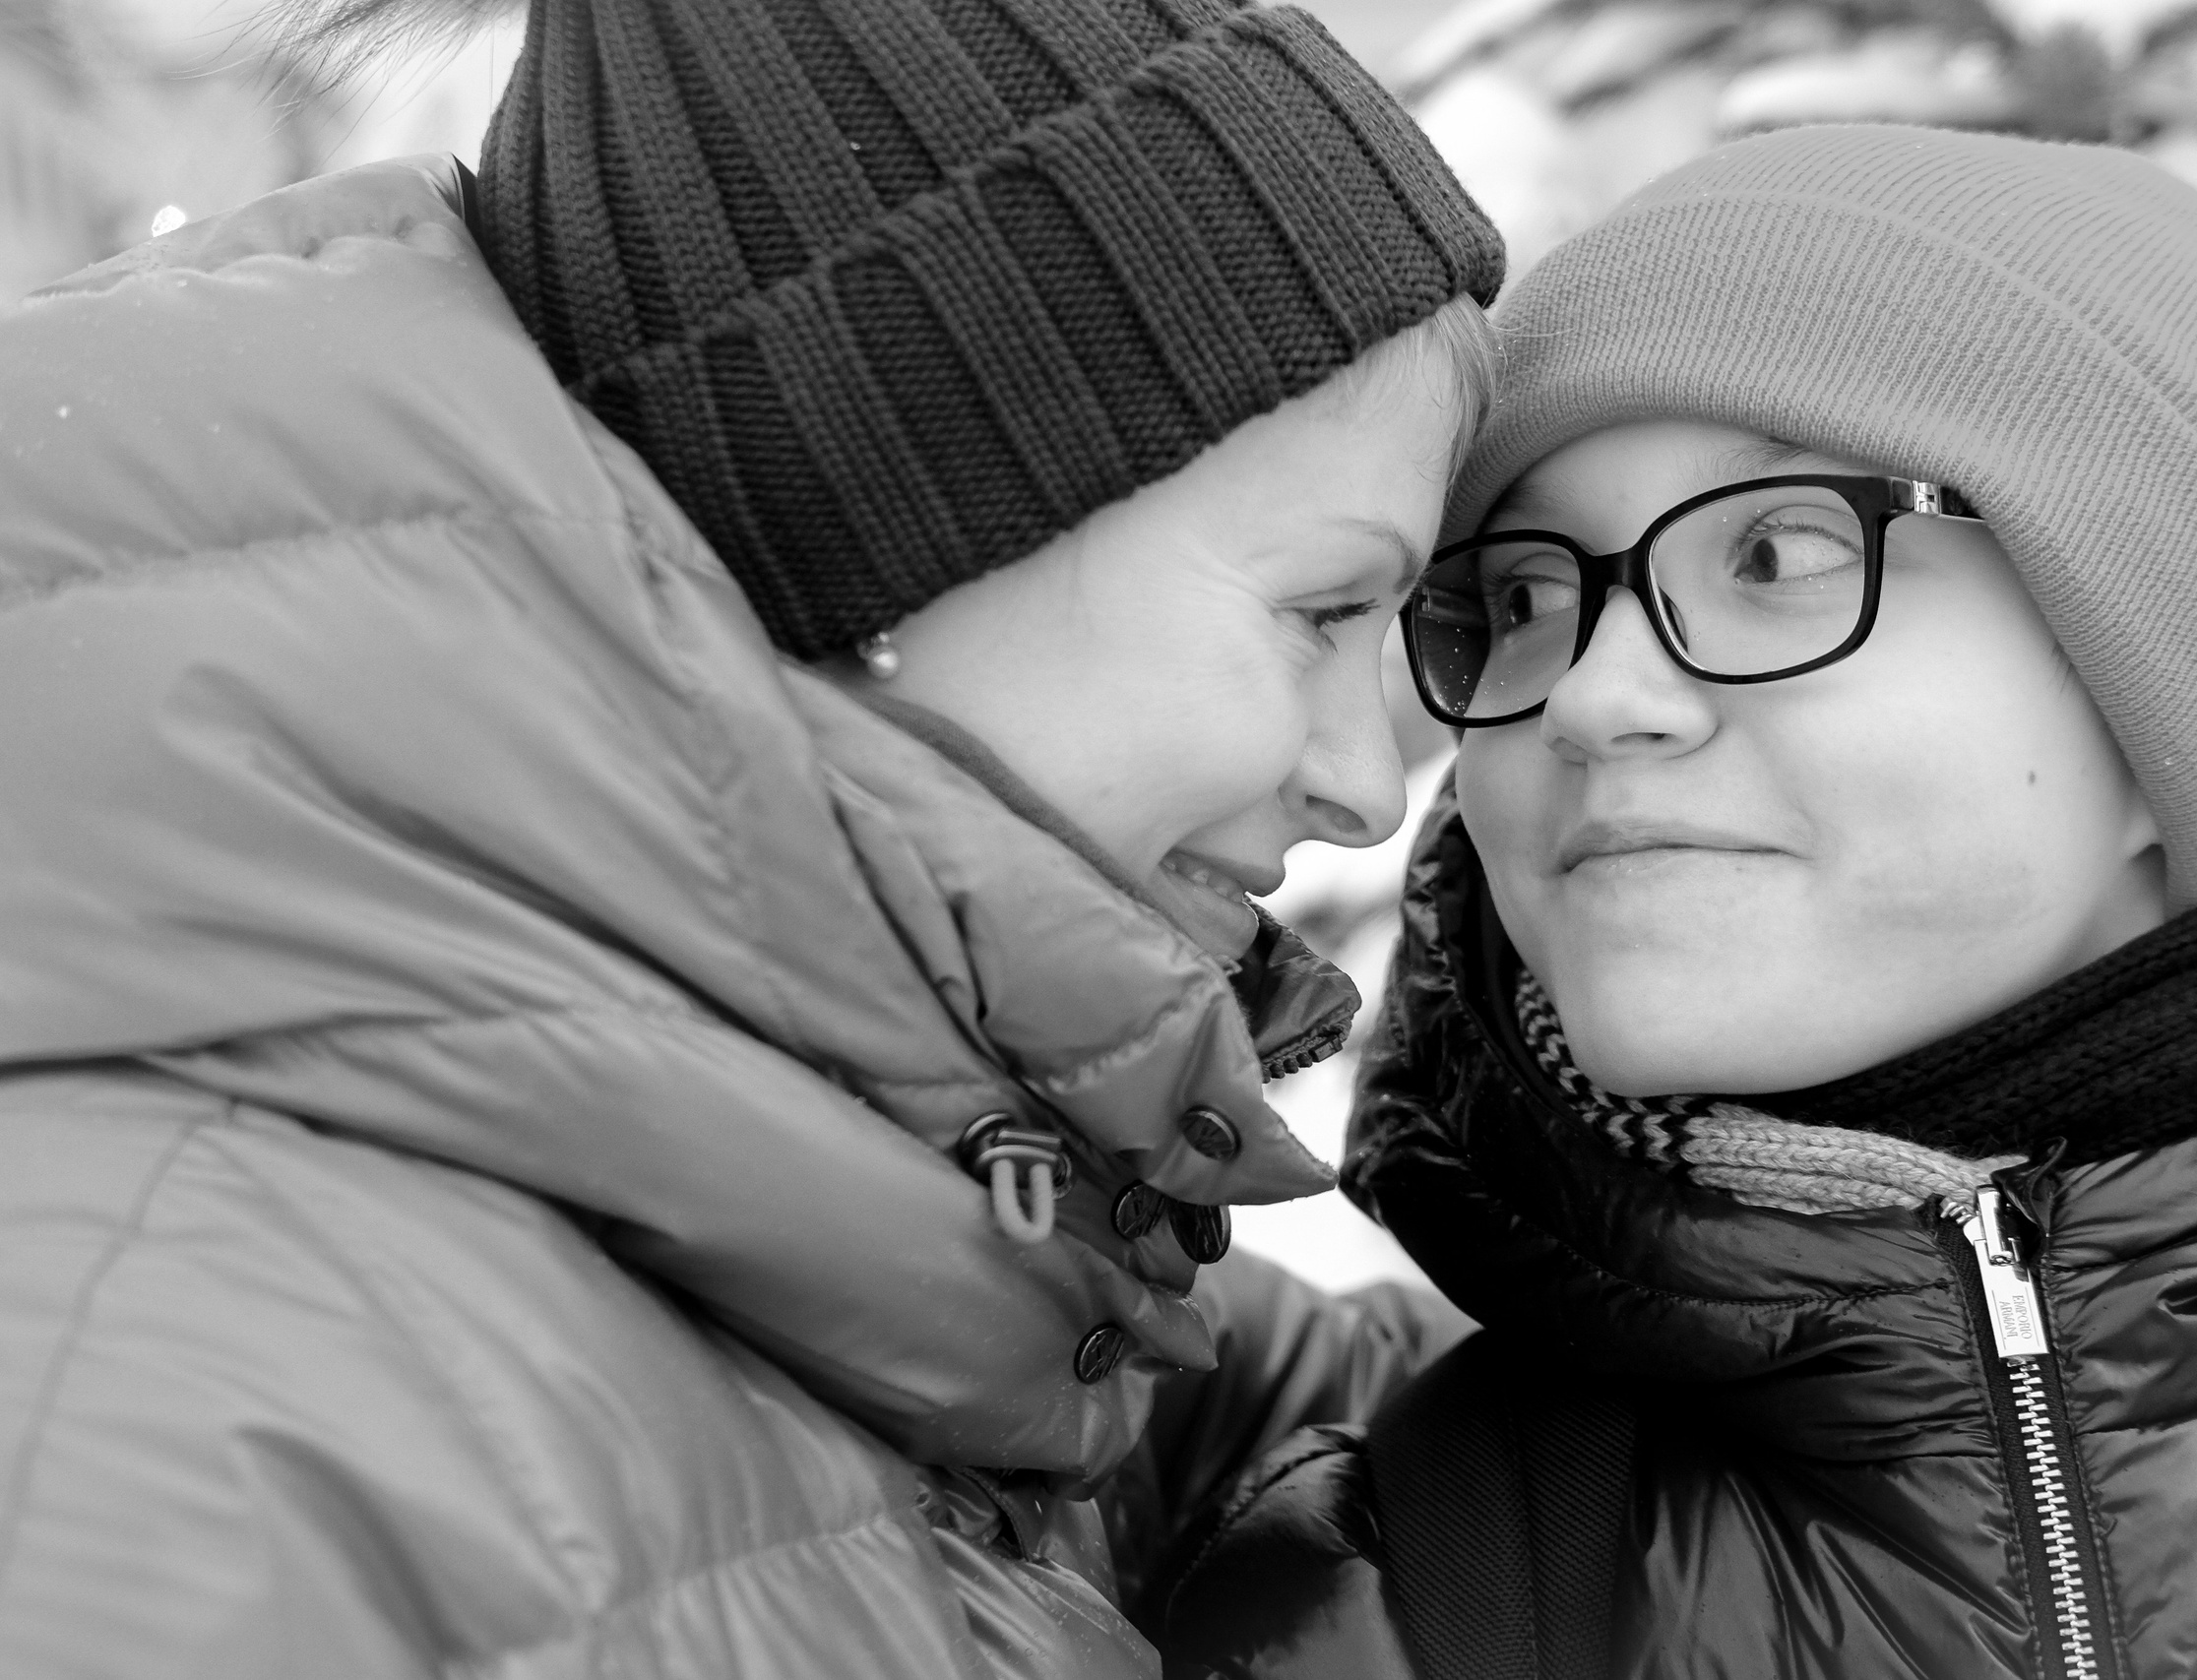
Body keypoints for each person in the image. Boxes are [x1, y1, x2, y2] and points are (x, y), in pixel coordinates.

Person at [0, 0, 1503, 1674]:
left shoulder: (869, 1188)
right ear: (893, 527)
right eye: (1323, 609)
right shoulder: (191, 1427)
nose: (1373, 782)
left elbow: (1306, 1410)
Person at [1160, 124, 2197, 1679]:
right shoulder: (1400, 1593)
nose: (1593, 696)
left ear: (2168, 704)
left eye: (1779, 551)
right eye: (1525, 597)